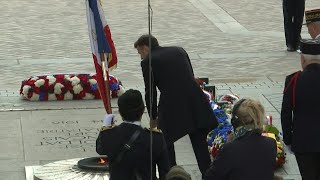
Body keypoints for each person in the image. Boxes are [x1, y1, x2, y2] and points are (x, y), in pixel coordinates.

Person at [134, 34, 218, 178]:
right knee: (199, 143)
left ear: (145, 47)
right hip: (195, 101)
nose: (141, 57)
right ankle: (207, 174)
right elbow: (190, 75)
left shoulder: (148, 61)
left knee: (165, 141)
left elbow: (151, 92)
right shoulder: (179, 50)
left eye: (140, 53)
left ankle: (170, 174)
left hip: (172, 105)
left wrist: (153, 116)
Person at [96, 89, 170, 180]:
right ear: (142, 110)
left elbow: (100, 149)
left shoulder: (109, 134)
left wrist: (105, 126)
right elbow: (165, 173)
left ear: (120, 112)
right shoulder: (155, 138)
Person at [204, 98, 277, 180]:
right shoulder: (271, 143)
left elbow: (209, 177)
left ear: (235, 123)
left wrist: (227, 147)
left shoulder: (229, 149)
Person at [281, 39, 320, 179]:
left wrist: (288, 139)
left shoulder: (294, 79)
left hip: (303, 142)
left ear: (303, 59)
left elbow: (286, 112)